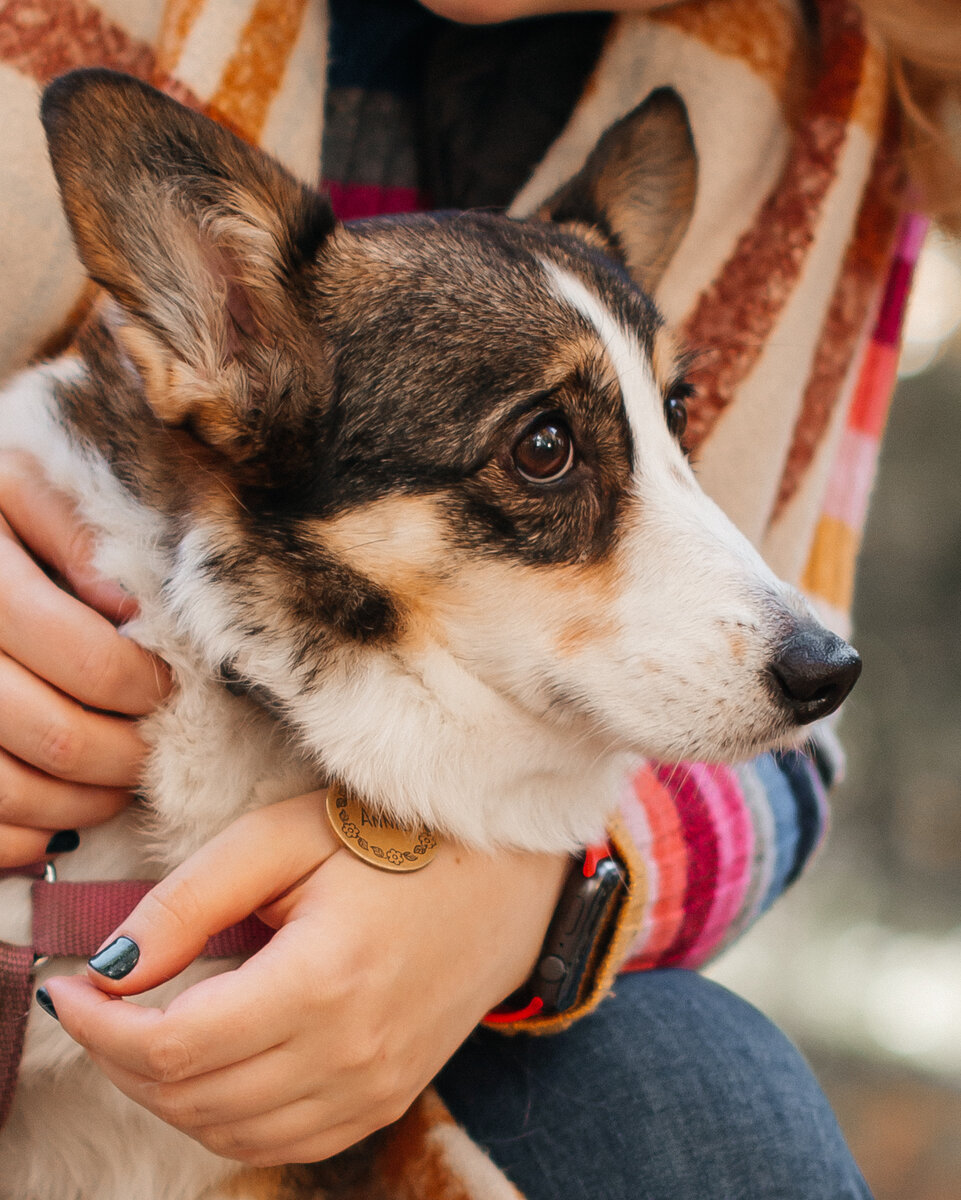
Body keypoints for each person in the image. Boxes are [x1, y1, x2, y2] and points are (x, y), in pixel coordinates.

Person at [1, 0, 959, 1195]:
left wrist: (539, 907)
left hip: (443, 1000)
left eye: (665, 415)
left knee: (702, 1095)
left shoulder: (851, 101)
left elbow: (801, 748)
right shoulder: (249, 335)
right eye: (546, 452)